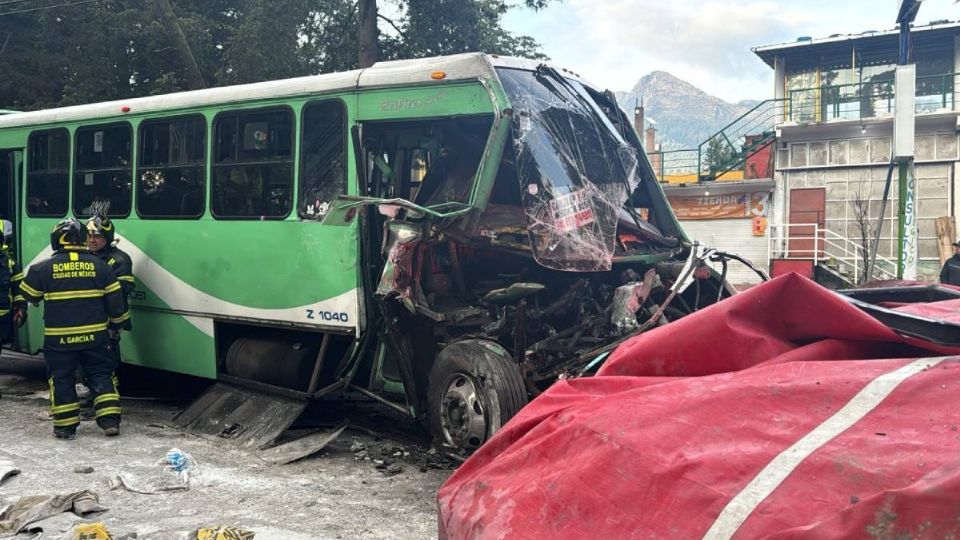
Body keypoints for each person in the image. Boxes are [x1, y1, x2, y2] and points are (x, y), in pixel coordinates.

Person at [19, 218, 129, 439]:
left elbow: (29, 295)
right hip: (96, 337)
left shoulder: (42, 268)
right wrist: (117, 325)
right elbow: (116, 305)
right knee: (101, 374)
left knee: (61, 378)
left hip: (59, 340)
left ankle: (65, 427)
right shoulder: (102, 267)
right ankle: (109, 421)